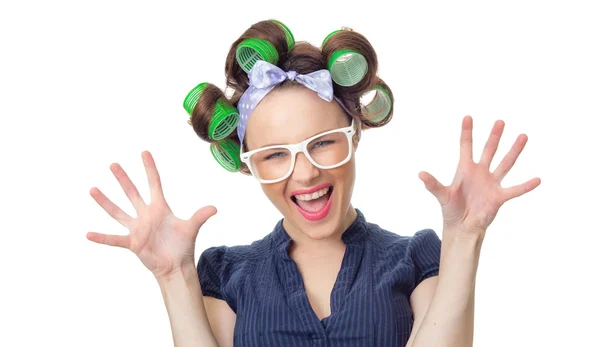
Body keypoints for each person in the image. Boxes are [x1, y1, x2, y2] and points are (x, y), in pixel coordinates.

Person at [86, 20, 541, 347]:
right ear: (248, 165)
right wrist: (174, 276)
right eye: (276, 154)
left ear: (356, 134)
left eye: (322, 143)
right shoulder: (226, 275)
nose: (304, 174)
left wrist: (463, 238)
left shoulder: (416, 259)